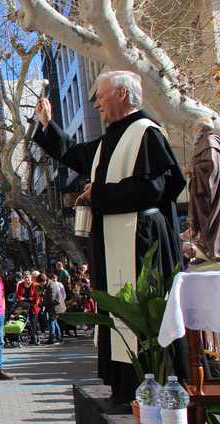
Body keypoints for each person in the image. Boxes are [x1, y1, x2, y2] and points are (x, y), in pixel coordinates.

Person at [35, 69, 186, 402]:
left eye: (100, 96)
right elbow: (74, 155)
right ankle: (125, 389)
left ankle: (154, 389)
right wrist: (48, 125)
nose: (96, 103)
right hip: (116, 239)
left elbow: (156, 188)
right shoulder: (110, 139)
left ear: (121, 94)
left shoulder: (146, 132)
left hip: (142, 241)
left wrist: (96, 195)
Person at [189, 116, 220, 262]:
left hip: (209, 193)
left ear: (200, 130)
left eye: (194, 130)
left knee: (210, 222)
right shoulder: (206, 142)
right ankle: (205, 251)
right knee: (204, 223)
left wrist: (192, 170)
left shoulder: (209, 142)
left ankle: (212, 252)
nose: (193, 134)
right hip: (204, 192)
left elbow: (210, 166)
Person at [15, 272, 41, 345]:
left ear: (31, 278)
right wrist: (28, 299)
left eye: (28, 278)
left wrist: (26, 298)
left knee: (33, 322)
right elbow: (18, 296)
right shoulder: (20, 285)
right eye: (25, 278)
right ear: (23, 279)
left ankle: (34, 338)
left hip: (33, 306)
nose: (27, 280)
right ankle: (17, 337)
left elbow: (36, 298)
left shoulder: (35, 285)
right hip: (24, 306)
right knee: (20, 319)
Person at [41, 273, 66, 344]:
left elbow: (51, 299)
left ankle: (51, 339)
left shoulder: (51, 286)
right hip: (55, 307)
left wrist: (42, 303)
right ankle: (59, 337)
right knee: (54, 322)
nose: (40, 285)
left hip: (55, 307)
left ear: (44, 281)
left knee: (51, 322)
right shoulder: (49, 284)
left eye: (40, 283)